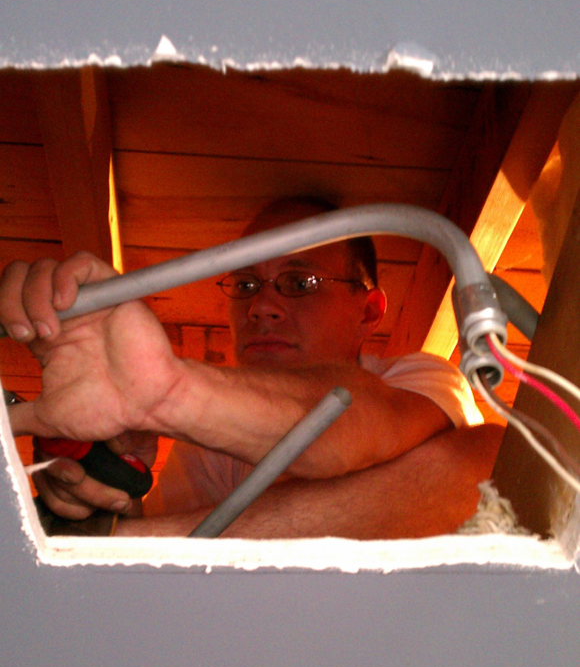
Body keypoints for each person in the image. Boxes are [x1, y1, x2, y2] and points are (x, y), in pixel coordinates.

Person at [0, 198, 503, 539]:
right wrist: (100, 499)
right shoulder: (205, 444)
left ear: (368, 311)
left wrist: (168, 394)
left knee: (492, 454)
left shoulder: (416, 377)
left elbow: (359, 423)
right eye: (244, 286)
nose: (261, 306)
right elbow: (165, 576)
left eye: (299, 281)